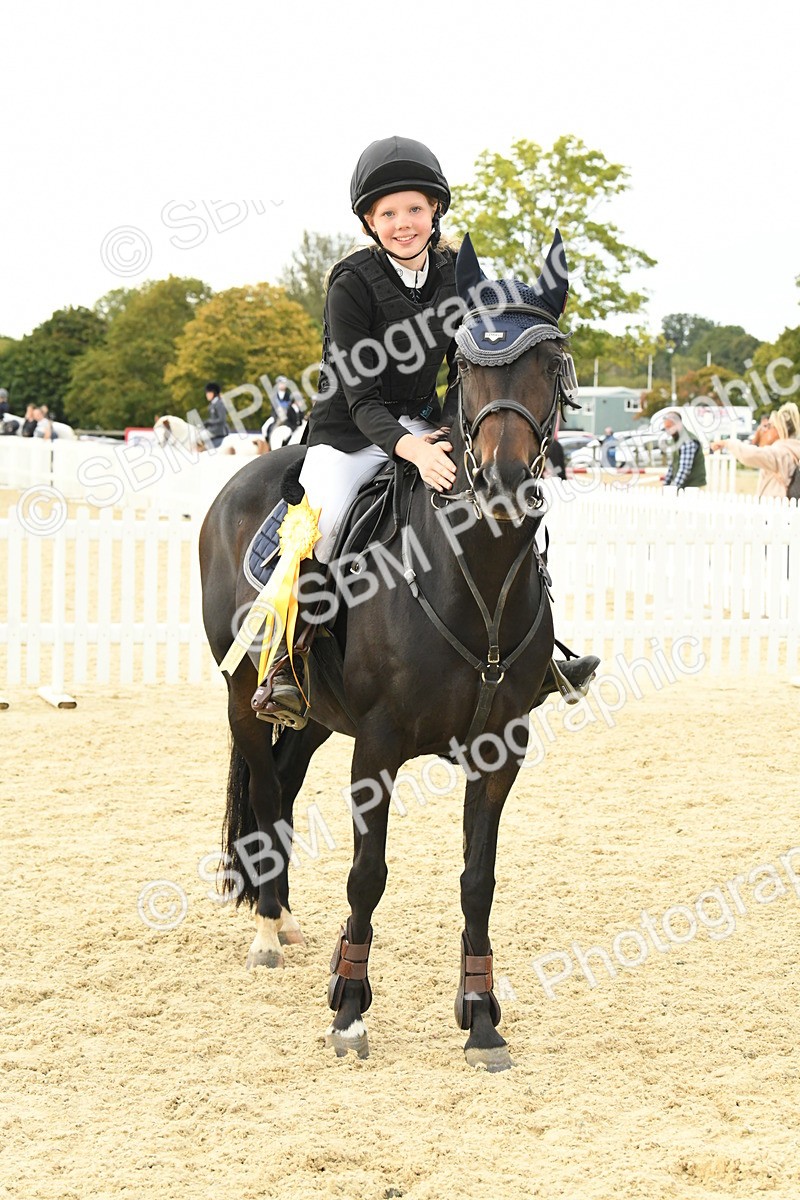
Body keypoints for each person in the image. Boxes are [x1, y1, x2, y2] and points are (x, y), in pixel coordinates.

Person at [250, 136, 598, 727]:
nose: (403, 223)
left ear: (435, 210)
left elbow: (485, 356)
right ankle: (287, 665)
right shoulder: (350, 284)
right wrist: (409, 447)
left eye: (414, 209)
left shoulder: (455, 274)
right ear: (369, 220)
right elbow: (360, 396)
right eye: (388, 213)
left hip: (423, 421)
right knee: (327, 520)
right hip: (347, 432)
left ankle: (539, 655)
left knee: (508, 501)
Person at [711, 401, 800, 499]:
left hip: (774, 506)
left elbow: (751, 454)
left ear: (779, 429)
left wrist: (728, 443)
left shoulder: (780, 453)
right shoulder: (793, 449)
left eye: (770, 426)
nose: (765, 430)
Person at [662, 413, 706, 490]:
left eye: (669, 427)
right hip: (683, 487)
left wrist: (672, 489)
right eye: (666, 428)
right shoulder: (675, 440)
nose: (667, 431)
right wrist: (665, 485)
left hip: (694, 488)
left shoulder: (688, 441)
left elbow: (684, 469)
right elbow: (672, 467)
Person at [203, 382, 229, 449]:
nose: (207, 395)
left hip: (219, 430)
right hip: (213, 429)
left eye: (208, 393)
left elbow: (222, 419)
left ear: (213, 393)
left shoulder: (219, 403)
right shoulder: (212, 404)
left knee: (199, 437)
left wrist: (209, 422)